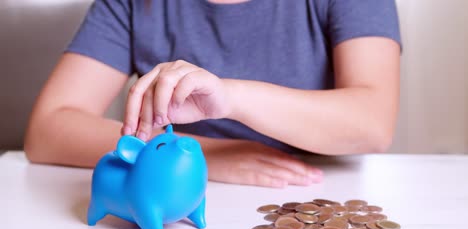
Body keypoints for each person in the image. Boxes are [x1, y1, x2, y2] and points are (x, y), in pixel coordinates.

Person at [24, 0, 401, 188]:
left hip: (317, 192)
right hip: (182, 198)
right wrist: (200, 158)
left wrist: (231, 97)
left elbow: (373, 122)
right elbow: (47, 130)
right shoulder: (132, 4)